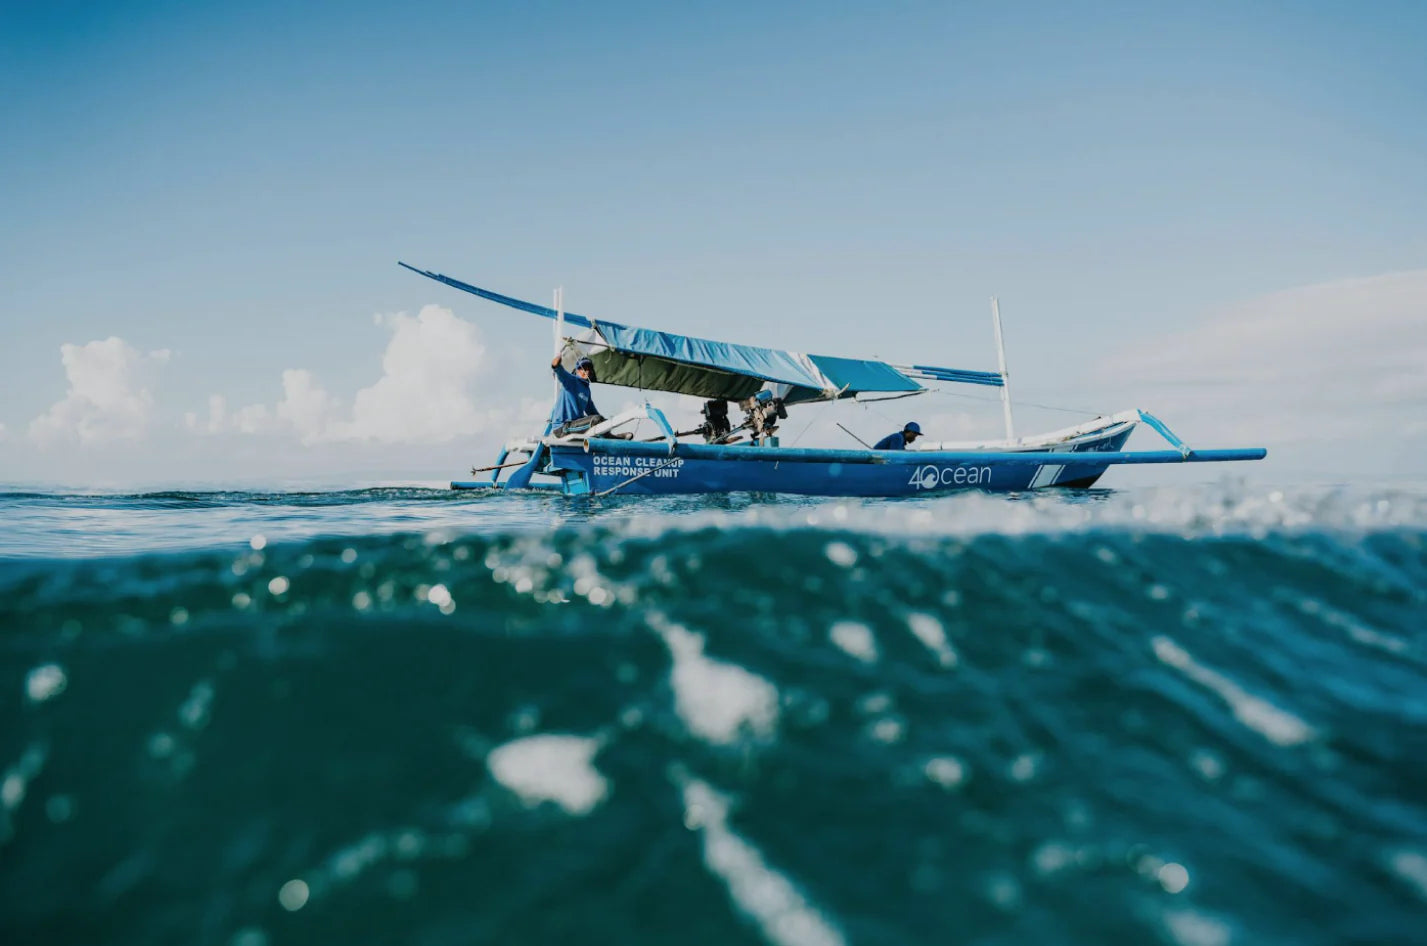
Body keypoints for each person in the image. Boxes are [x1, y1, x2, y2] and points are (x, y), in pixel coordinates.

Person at [550, 353, 603, 435]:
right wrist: (556, 365)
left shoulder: (586, 389)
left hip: (575, 425)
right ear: (577, 371)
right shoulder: (571, 380)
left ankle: (614, 439)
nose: (587, 371)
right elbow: (560, 372)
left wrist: (607, 422)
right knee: (596, 420)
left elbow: (592, 411)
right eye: (584, 369)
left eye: (589, 369)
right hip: (562, 427)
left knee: (600, 420)